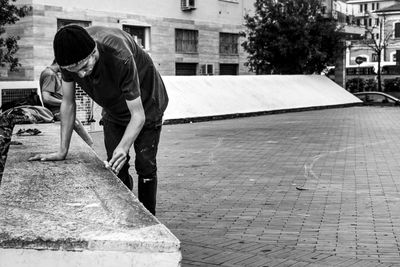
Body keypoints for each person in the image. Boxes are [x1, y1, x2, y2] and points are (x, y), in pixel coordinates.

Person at [29, 25, 169, 216]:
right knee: (116, 165)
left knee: (145, 165)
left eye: (85, 67)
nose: (82, 75)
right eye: (75, 71)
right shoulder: (69, 59)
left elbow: (138, 116)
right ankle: (125, 214)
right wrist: (62, 150)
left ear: (94, 50)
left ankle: (149, 218)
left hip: (147, 104)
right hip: (113, 109)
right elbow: (68, 104)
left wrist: (124, 146)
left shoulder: (120, 56)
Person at [39, 60, 94, 147]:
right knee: (88, 141)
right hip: (60, 113)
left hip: (61, 112)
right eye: (67, 66)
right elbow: (46, 98)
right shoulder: (50, 74)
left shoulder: (49, 73)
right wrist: (66, 102)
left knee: (78, 143)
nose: (68, 69)